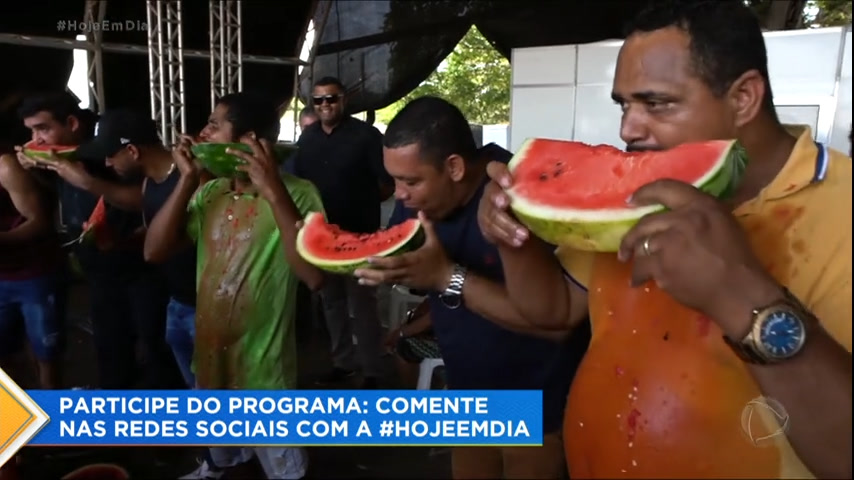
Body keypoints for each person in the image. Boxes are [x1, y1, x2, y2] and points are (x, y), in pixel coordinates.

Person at [477, 1, 852, 478]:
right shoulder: (637, 199)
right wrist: (514, 234)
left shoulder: (843, 206)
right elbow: (552, 311)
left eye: (656, 103)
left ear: (743, 98)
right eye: (623, 104)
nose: (627, 129)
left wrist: (742, 299)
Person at [355, 96, 590, 480]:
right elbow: (422, 269)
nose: (399, 194)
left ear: (454, 167)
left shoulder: (522, 196)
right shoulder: (416, 204)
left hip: (538, 399)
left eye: (410, 181)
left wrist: (449, 277)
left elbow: (557, 322)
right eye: (394, 179)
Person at [144, 92, 325, 480]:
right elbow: (154, 251)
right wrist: (187, 179)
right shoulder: (212, 192)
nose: (201, 133)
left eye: (213, 124)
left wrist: (273, 189)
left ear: (248, 141)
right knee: (229, 461)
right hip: (210, 364)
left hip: (264, 374)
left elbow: (313, 275)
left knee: (285, 471)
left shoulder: (299, 194)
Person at [15, 92, 179, 390]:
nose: (36, 140)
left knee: (157, 345)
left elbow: (147, 200)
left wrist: (87, 182)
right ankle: (114, 417)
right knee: (110, 347)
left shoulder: (115, 151)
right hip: (99, 270)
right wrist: (41, 172)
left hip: (141, 267)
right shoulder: (71, 155)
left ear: (73, 122)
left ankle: (165, 423)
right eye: (31, 131)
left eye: (42, 128)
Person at [74, 108, 200, 389]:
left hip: (202, 306)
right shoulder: (150, 184)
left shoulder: (193, 178)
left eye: (111, 154)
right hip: (176, 301)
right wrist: (113, 242)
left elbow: (161, 248)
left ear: (132, 150)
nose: (107, 162)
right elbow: (157, 230)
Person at [291, 76, 394, 388]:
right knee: (331, 303)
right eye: (318, 100)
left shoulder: (366, 136)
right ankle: (343, 363)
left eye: (331, 99)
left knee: (363, 305)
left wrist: (361, 205)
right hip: (322, 236)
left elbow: (387, 184)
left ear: (344, 100)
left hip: (360, 235)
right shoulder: (307, 138)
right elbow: (300, 183)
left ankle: (373, 369)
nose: (325, 105)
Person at [0, 149, 63, 389]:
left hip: (33, 272)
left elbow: (39, 221)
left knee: (46, 355)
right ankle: (20, 414)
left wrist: (2, 240)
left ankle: (52, 419)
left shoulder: (5, 166)